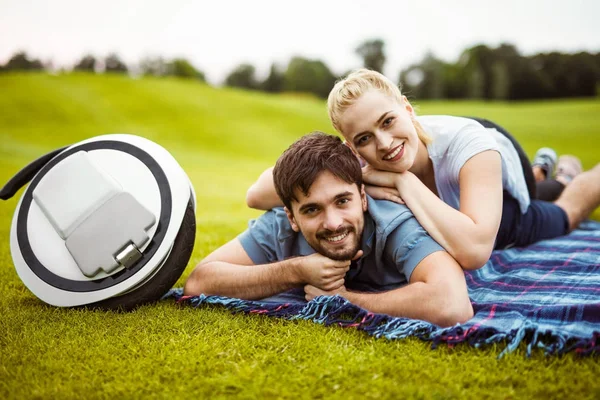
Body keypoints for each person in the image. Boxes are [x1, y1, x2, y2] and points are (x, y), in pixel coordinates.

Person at [246, 69, 600, 270]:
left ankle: (561, 175)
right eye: (365, 138)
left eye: (388, 121)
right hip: (462, 180)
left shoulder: (472, 146)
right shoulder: (357, 156)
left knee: (561, 211)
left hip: (497, 167)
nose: (383, 144)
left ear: (407, 108)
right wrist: (356, 167)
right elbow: (257, 195)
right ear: (350, 144)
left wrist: (402, 181)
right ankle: (552, 172)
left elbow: (475, 251)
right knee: (546, 187)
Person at [185, 133, 473, 327]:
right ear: (292, 217)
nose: (333, 222)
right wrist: (296, 271)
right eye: (312, 209)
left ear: (362, 197)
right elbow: (199, 282)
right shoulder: (279, 224)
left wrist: (345, 300)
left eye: (342, 201)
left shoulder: (394, 223)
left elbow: (452, 304)